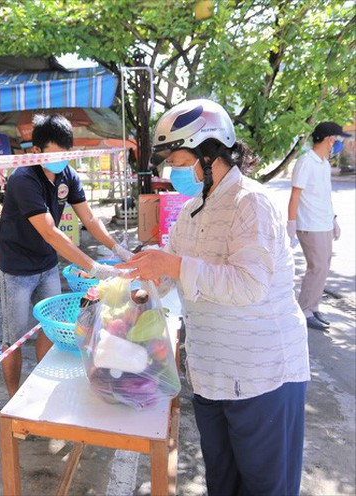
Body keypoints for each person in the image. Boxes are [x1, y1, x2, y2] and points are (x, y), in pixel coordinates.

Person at [118, 99, 310, 495]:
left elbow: (248, 285)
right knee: (222, 482)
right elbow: (169, 273)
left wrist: (171, 267)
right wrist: (130, 287)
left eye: (178, 157)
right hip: (210, 374)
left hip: (262, 375)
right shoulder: (191, 211)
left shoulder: (250, 204)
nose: (172, 168)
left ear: (210, 152)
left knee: (265, 486)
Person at [0, 113, 129, 397]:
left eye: (66, 154)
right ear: (36, 152)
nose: (61, 161)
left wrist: (118, 249)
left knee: (51, 329)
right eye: (55, 155)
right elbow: (50, 232)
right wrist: (94, 267)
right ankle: (12, 399)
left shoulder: (67, 175)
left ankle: (41, 389)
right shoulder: (23, 179)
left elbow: (90, 219)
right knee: (15, 339)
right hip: (17, 270)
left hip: (47, 265)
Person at [287, 121, 351, 331]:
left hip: (323, 223)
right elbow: (295, 195)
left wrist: (333, 219)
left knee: (323, 268)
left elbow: (323, 195)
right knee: (317, 268)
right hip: (309, 225)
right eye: (337, 139)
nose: (338, 144)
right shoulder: (306, 162)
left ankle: (313, 307)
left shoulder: (323, 163)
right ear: (329, 139)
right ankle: (304, 311)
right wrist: (291, 223)